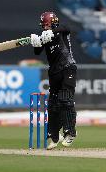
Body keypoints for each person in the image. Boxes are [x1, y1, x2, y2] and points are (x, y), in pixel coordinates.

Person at [31, 12, 77, 150]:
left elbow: (67, 27)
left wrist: (52, 31)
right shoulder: (45, 36)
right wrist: (36, 43)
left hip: (68, 68)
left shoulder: (61, 31)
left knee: (65, 99)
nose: (45, 27)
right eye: (44, 25)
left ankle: (70, 133)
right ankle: (54, 136)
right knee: (52, 105)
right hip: (54, 72)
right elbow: (37, 52)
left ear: (54, 23)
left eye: (48, 24)